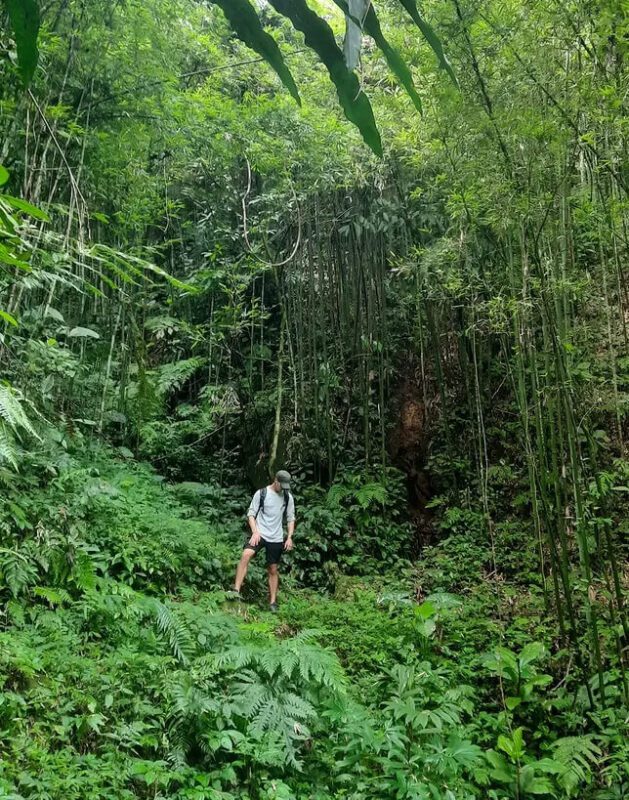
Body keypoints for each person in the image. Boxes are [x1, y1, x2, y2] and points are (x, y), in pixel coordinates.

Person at [230, 470, 295, 612]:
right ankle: (236, 590)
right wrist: (255, 532)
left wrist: (289, 537)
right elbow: (251, 514)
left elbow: (291, 518)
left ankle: (272, 603)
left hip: (276, 537)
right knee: (246, 555)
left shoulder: (287, 497)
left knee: (273, 569)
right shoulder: (261, 493)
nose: (283, 488)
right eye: (281, 485)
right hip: (259, 533)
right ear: (276, 481)